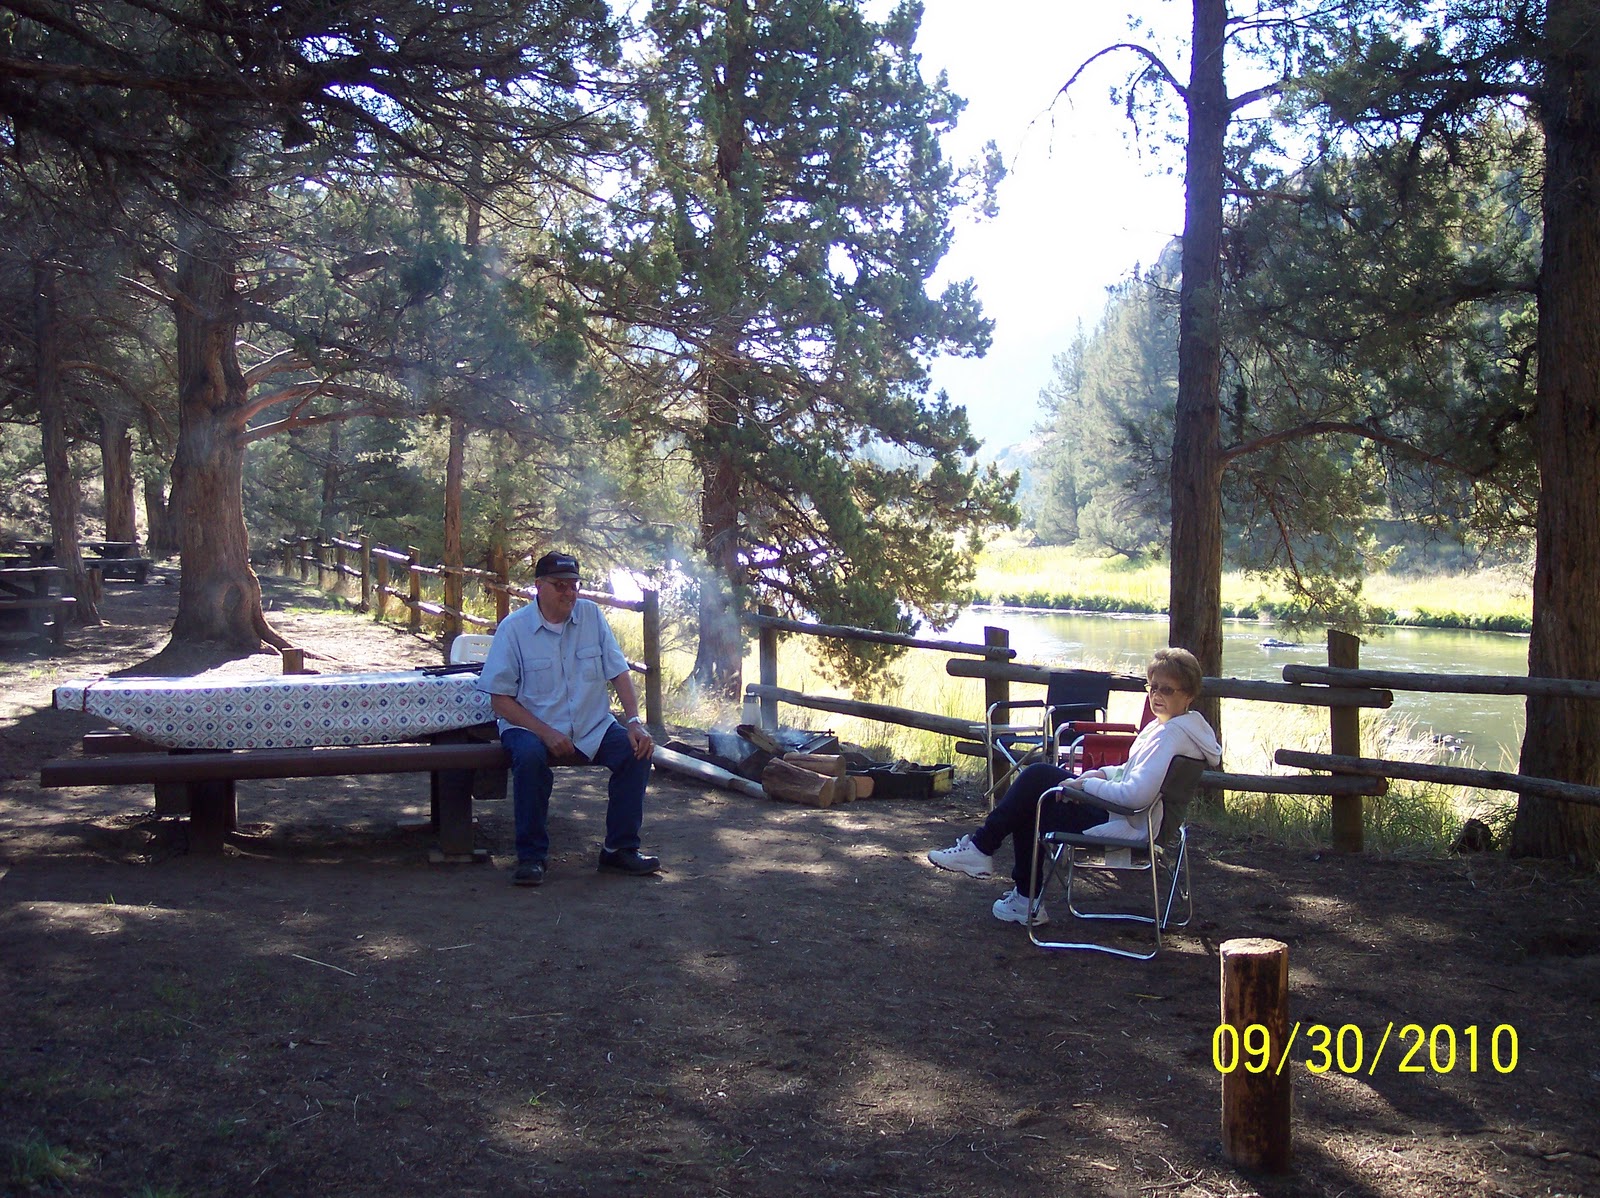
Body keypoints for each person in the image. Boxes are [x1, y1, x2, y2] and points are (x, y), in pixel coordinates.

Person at [927, 647, 1221, 926]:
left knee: (1035, 790)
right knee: (1035, 790)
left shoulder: (1170, 736)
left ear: (1189, 695)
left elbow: (1135, 795)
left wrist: (1085, 787)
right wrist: (1095, 777)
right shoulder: (1171, 727)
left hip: (1130, 822)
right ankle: (1003, 875)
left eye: (1167, 689)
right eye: (1152, 687)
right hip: (1129, 815)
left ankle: (998, 868)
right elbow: (1129, 772)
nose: (1157, 695)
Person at [477, 550, 659, 887]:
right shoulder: (514, 629)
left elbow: (618, 672)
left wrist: (634, 722)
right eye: (560, 585)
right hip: (529, 724)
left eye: (574, 585)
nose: (569, 593)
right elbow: (500, 699)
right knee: (530, 758)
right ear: (538, 587)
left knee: (638, 752)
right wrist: (545, 733)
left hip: (592, 724)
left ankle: (619, 849)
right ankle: (531, 857)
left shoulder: (591, 617)